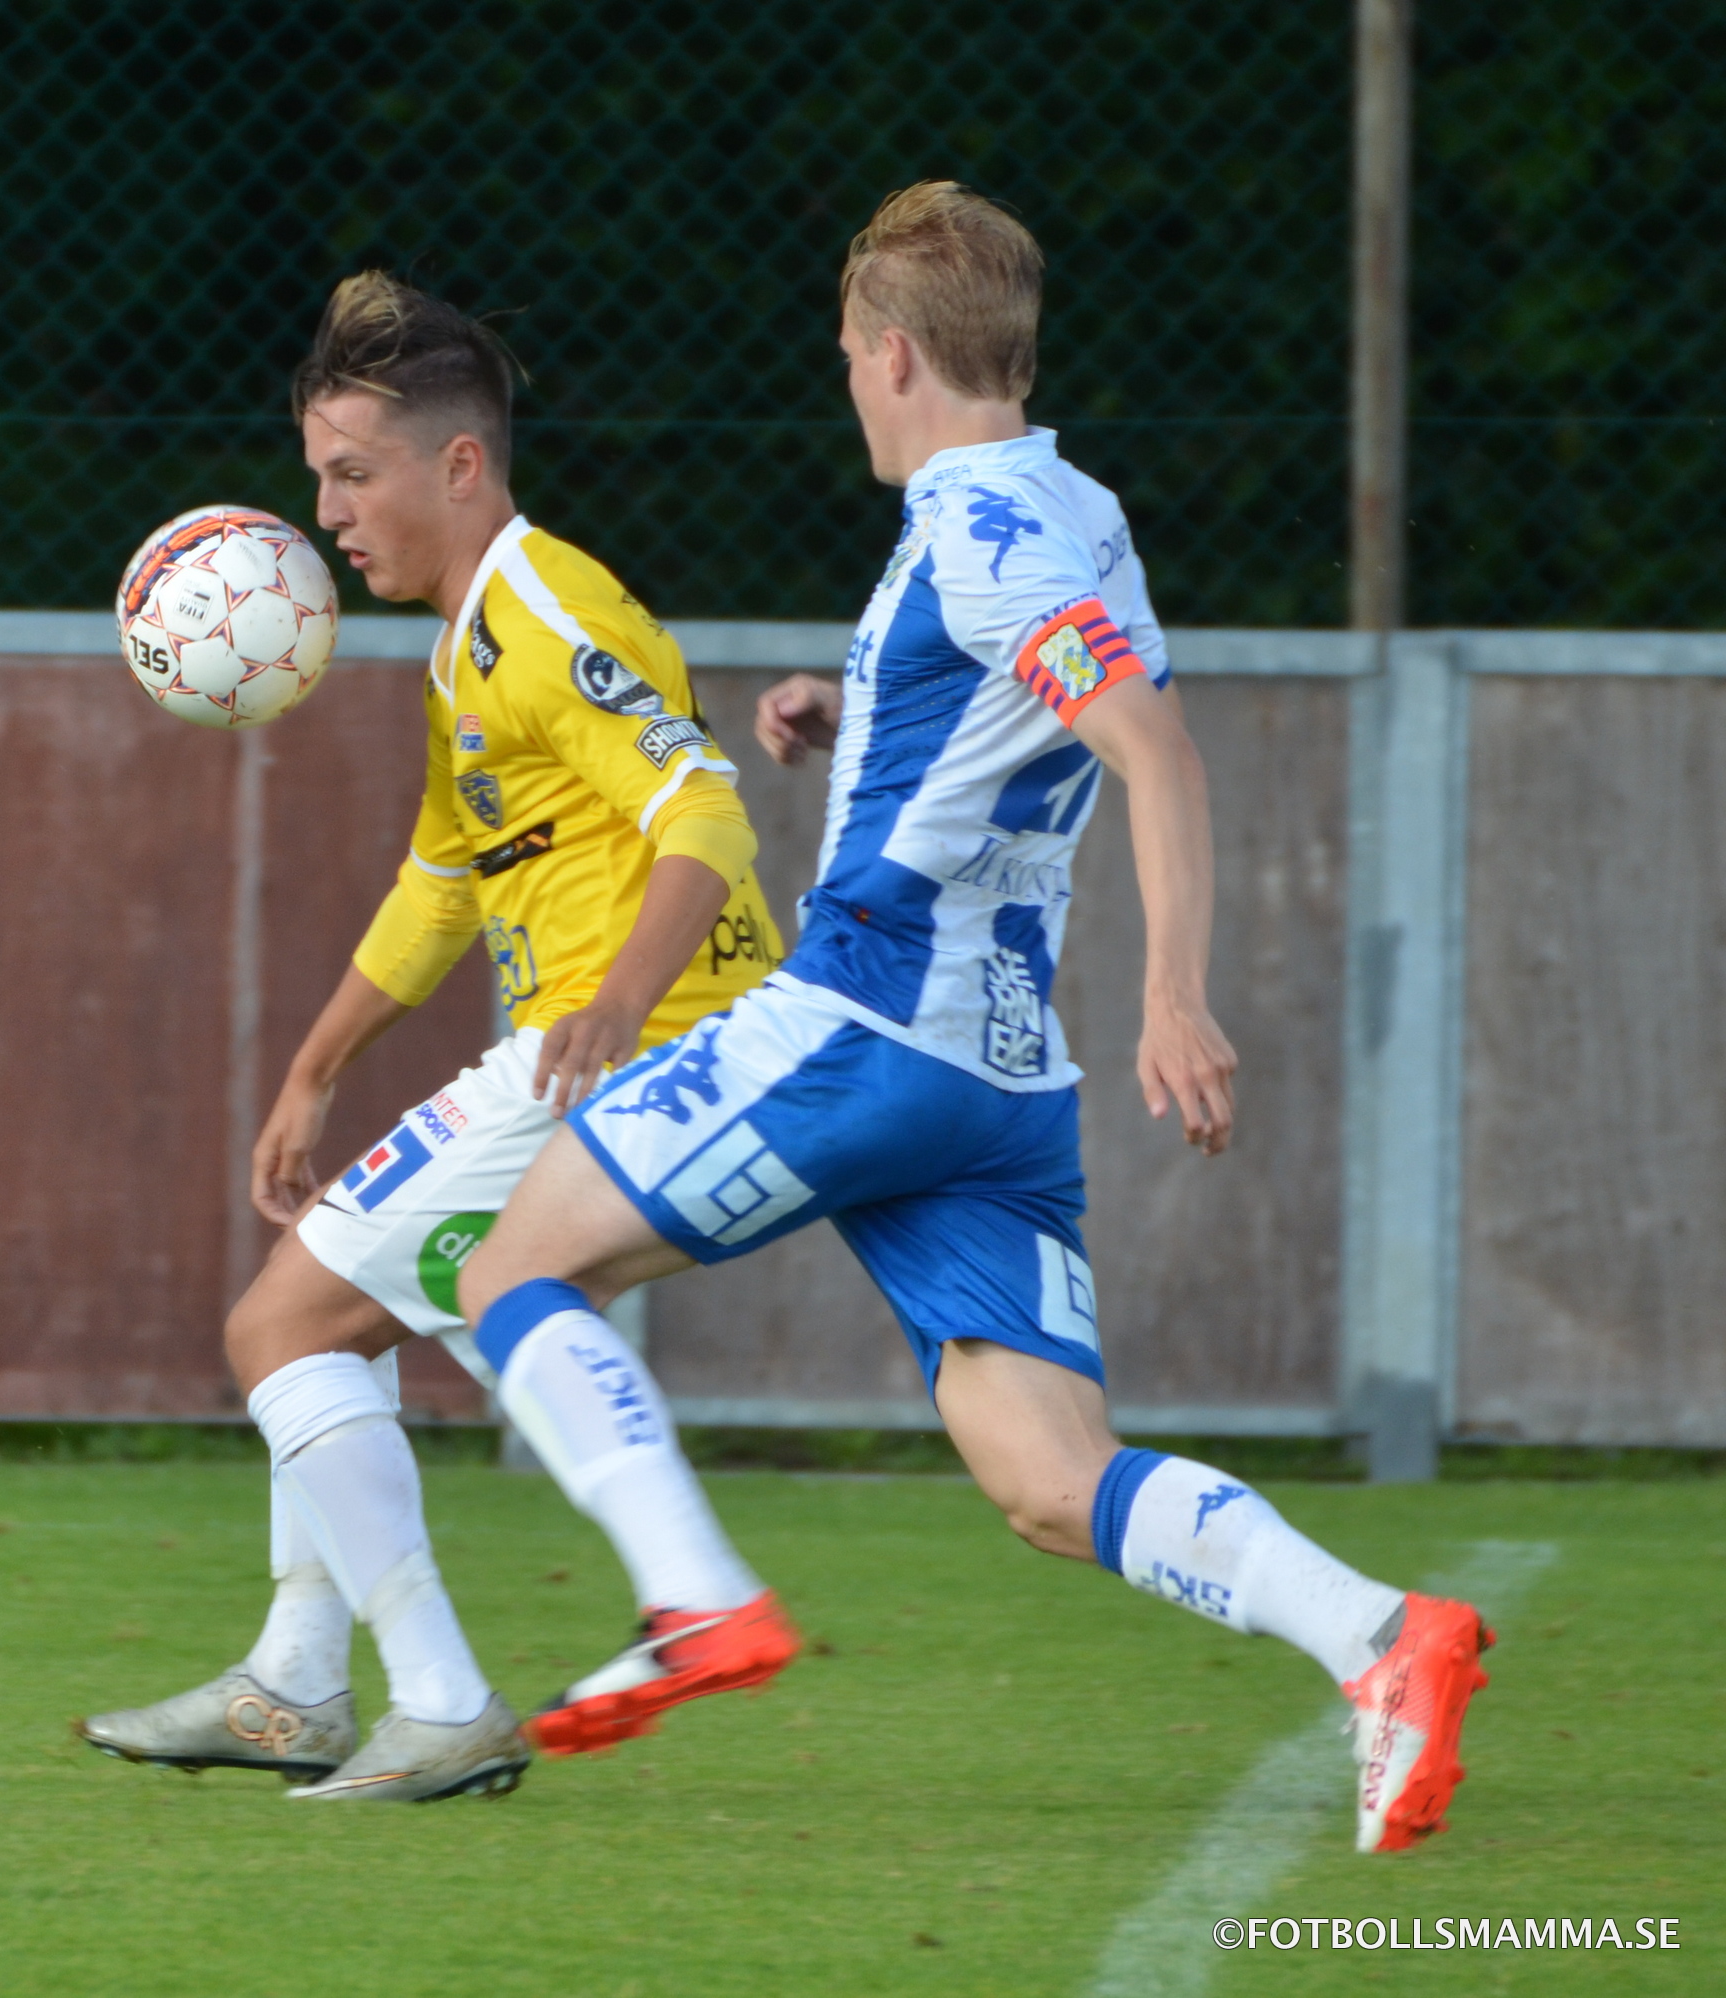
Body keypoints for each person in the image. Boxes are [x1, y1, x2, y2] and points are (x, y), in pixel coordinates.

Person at [455, 184, 1493, 1854]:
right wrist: (842, 704)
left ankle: (695, 1594)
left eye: (849, 360)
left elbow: (1148, 743)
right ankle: (1384, 1637)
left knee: (508, 1267)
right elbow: (1034, 708)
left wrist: (1176, 991)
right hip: (1001, 1081)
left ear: (889, 354)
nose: (848, 387)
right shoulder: (1073, 506)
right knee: (1046, 1478)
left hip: (867, 1020)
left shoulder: (972, 531)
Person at [80, 273, 793, 1802]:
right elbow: (438, 888)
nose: (327, 512)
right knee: (337, 1307)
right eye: (317, 476)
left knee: (281, 1328)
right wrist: (315, 1066)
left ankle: (441, 1700)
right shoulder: (466, 644)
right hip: (599, 1049)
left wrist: (612, 1001)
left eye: (352, 471)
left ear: (457, 465)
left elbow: (707, 811)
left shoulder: (541, 608)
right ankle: (295, 1677)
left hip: (632, 1051)